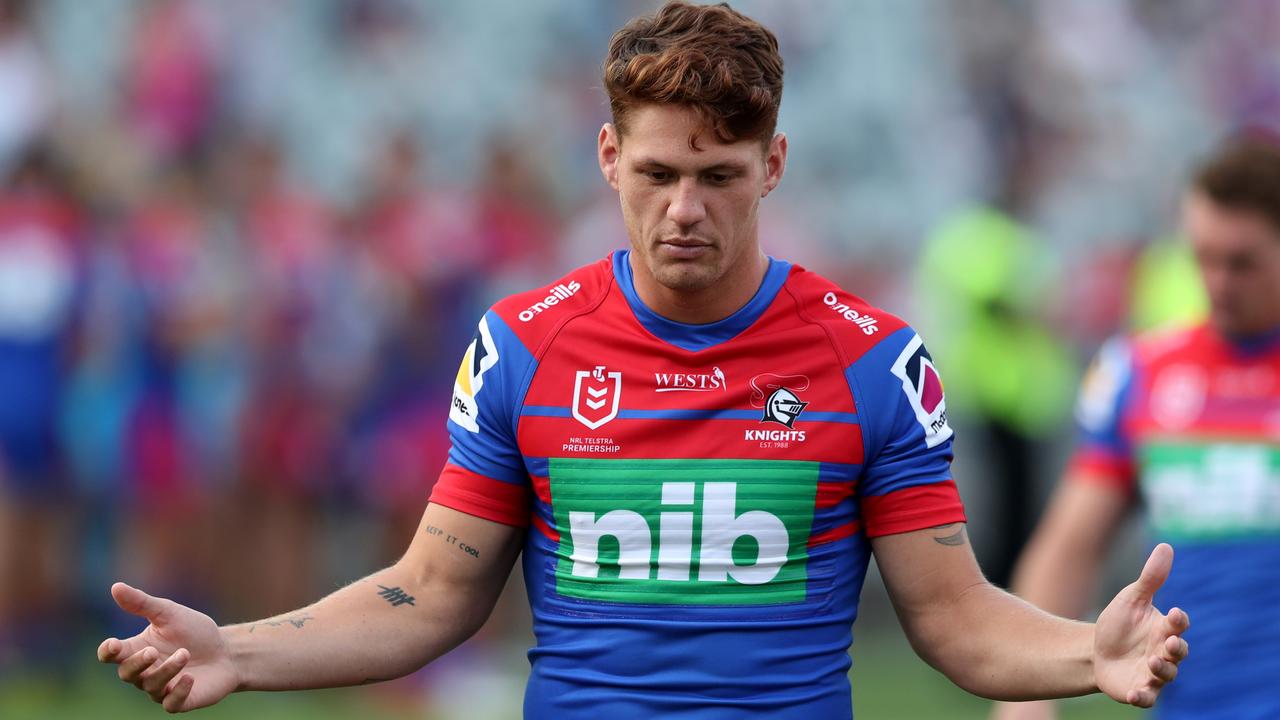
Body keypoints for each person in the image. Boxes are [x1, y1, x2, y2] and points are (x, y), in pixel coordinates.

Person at [97, 3, 1189, 717]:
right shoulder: (524, 344)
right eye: (658, 171)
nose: (682, 209)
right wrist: (237, 650)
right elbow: (427, 595)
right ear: (609, 155)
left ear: (772, 167)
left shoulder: (869, 361)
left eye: (717, 175)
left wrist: (1080, 658)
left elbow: (951, 618)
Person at [992, 132, 1280, 720]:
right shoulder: (1141, 371)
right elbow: (1067, 548)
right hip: (1194, 705)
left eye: (1242, 262)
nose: (1218, 281)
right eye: (1203, 257)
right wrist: (1026, 700)